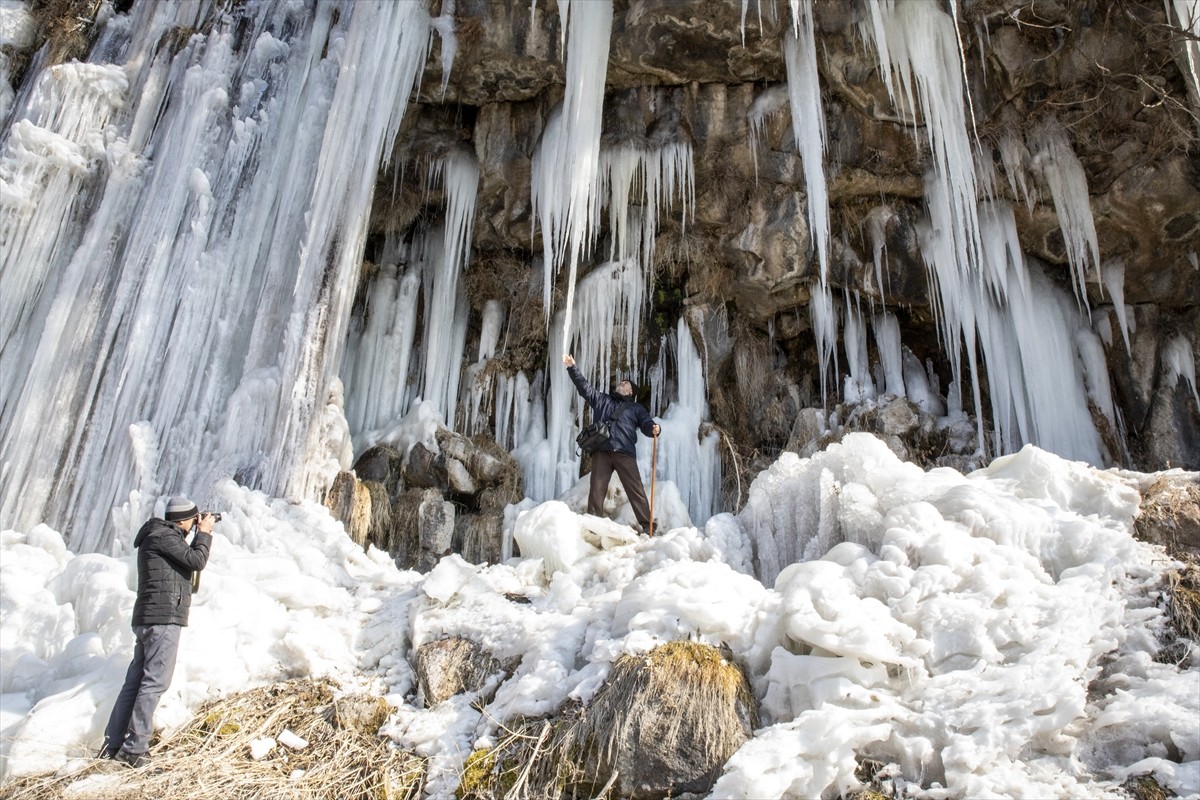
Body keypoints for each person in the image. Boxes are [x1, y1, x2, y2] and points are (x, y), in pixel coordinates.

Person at [101, 496, 215, 768]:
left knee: (136, 681)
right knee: (155, 682)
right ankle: (135, 748)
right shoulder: (164, 536)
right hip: (162, 619)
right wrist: (206, 534)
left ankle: (114, 743)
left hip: (149, 618)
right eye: (193, 520)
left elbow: (184, 561)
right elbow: (196, 560)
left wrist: (196, 532)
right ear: (185, 520)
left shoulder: (159, 536)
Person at [562, 354, 661, 533]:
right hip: (602, 450)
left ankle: (648, 526)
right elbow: (584, 387)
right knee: (596, 490)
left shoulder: (636, 408)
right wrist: (572, 367)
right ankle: (593, 524)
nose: (621, 384)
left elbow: (646, 424)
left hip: (625, 451)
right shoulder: (602, 400)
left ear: (631, 392)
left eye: (625, 383)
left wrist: (654, 428)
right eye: (621, 382)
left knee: (636, 490)